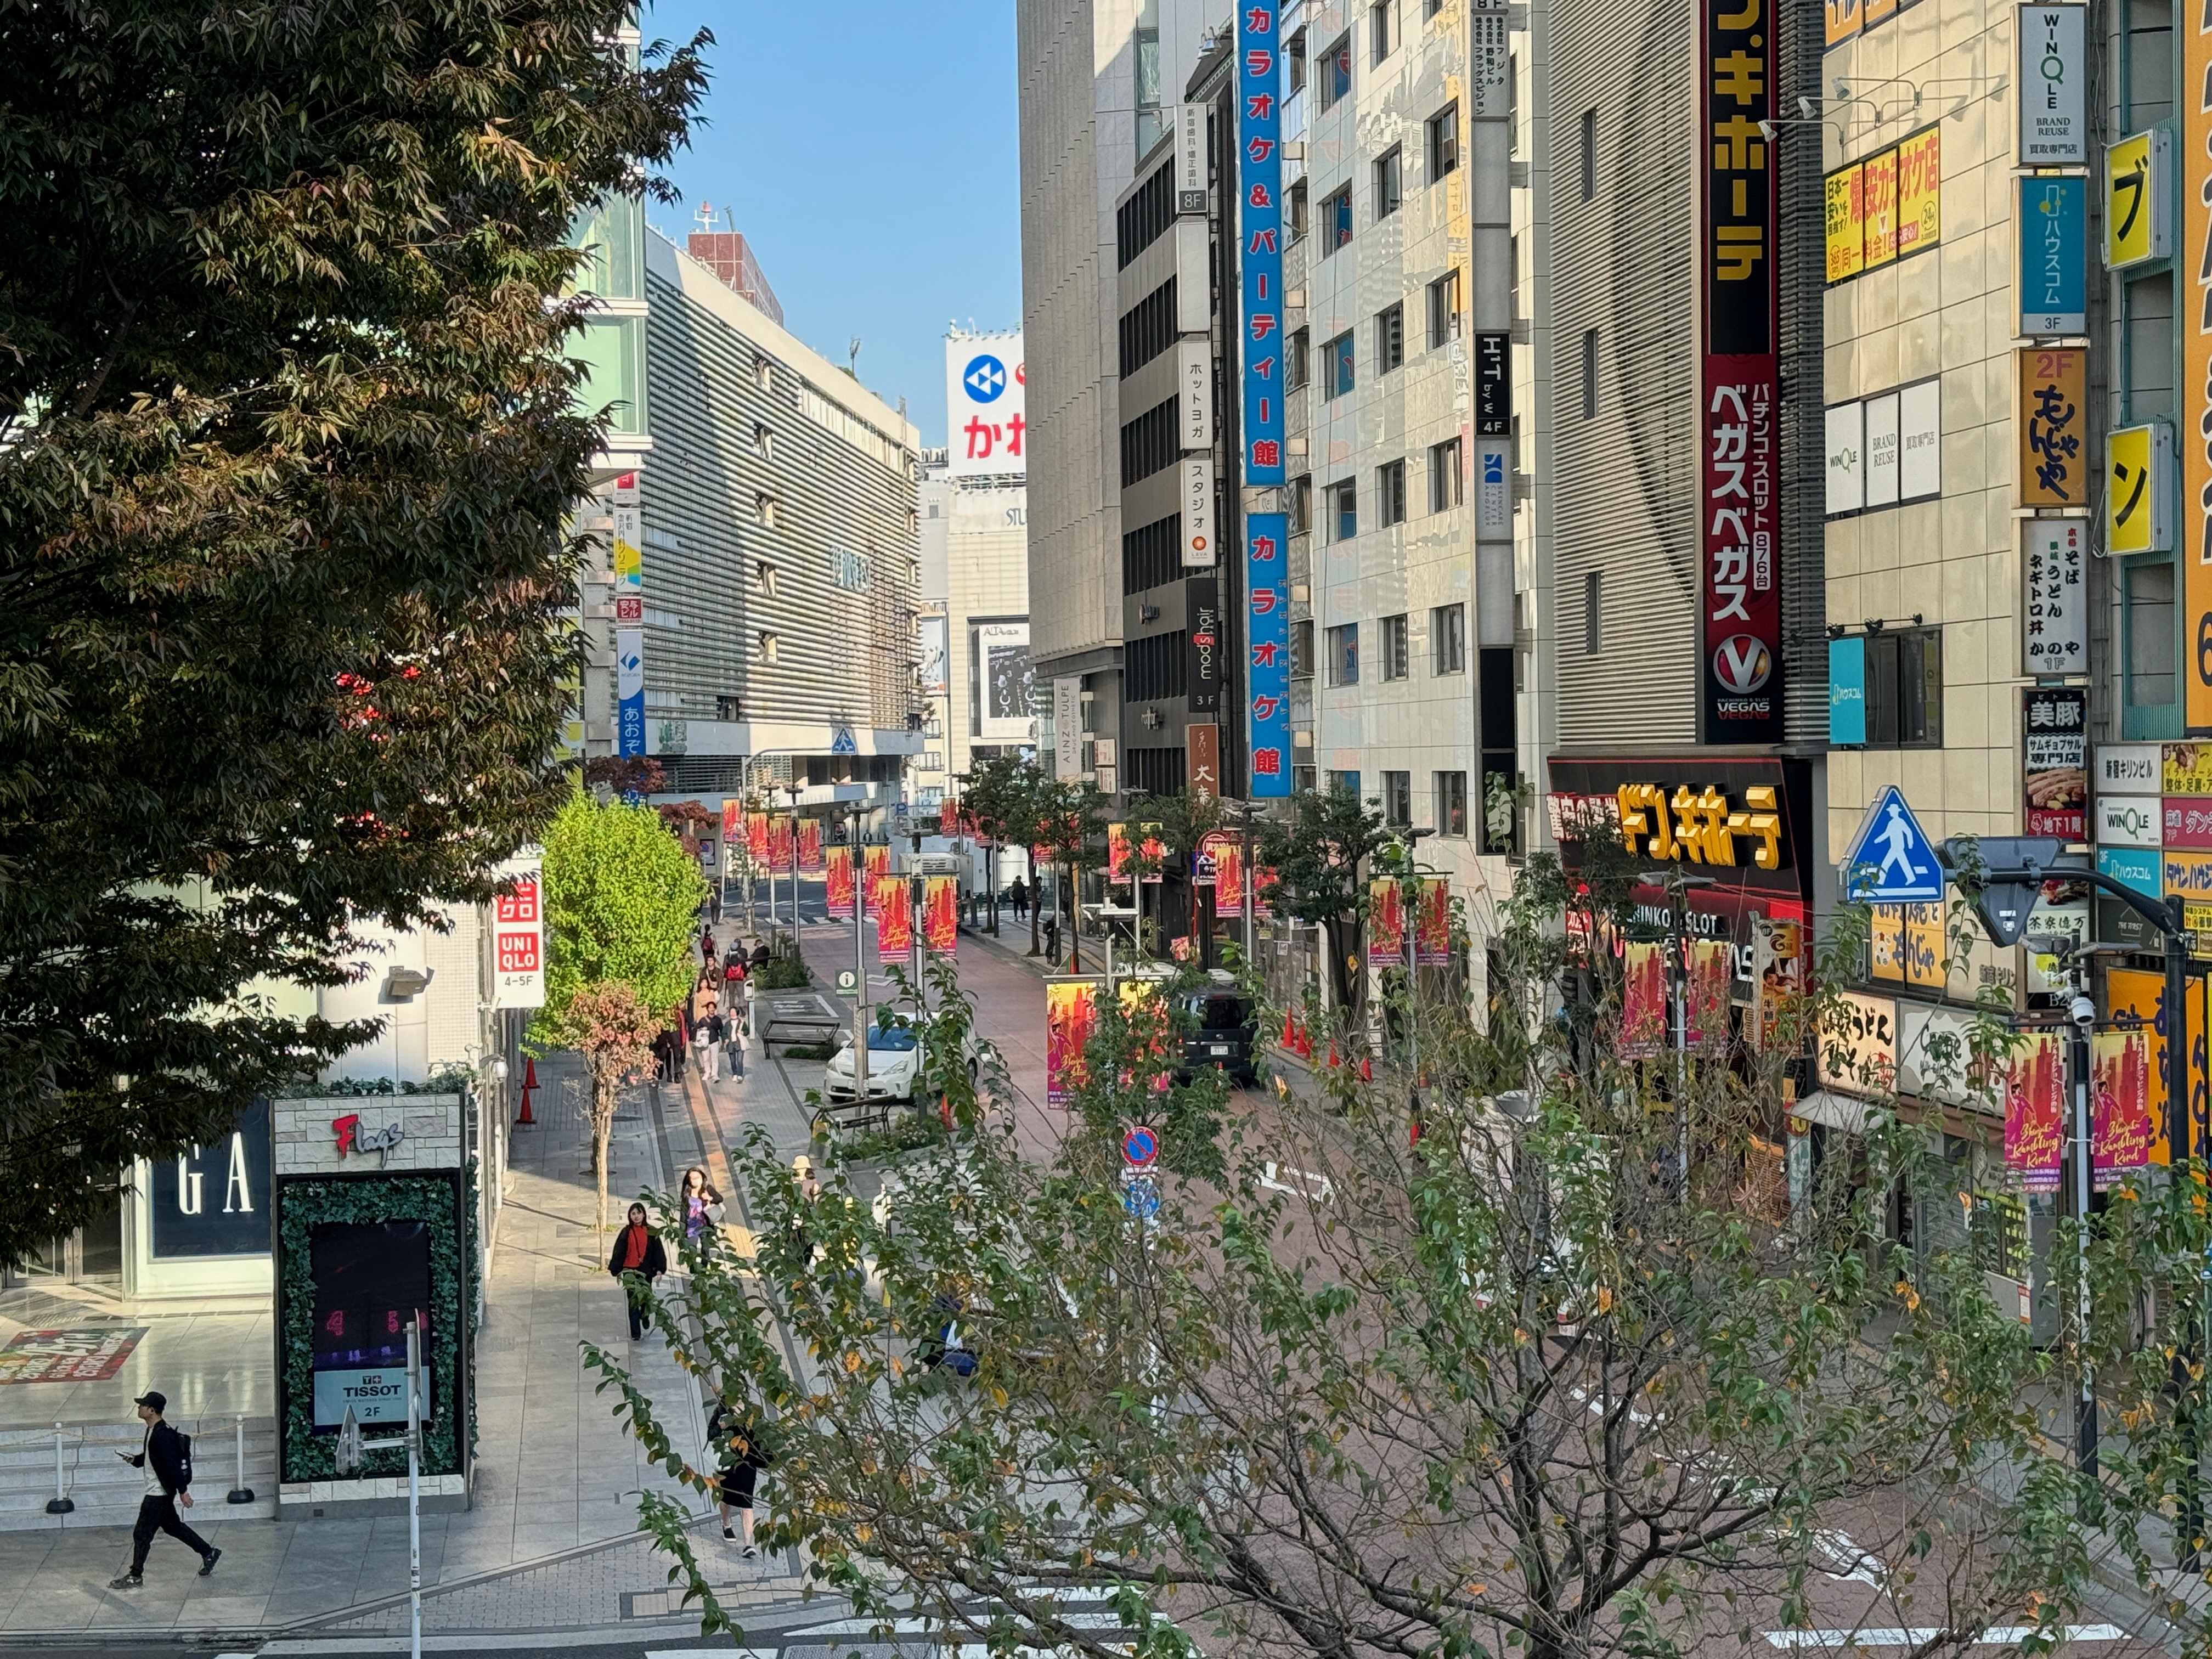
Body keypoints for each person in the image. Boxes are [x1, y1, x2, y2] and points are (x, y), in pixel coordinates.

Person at [108, 1392, 218, 1587]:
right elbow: (152, 1457)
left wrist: (183, 1491)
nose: (139, 1408)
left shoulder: (163, 1435)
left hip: (158, 1493)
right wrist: (134, 1460)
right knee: (173, 1527)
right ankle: (209, 1552)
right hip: (158, 1490)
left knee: (142, 1533)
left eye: (142, 1405)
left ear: (152, 1410)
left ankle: (136, 1575)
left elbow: (172, 1465)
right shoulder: (153, 1430)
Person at [706, 1398, 772, 1557]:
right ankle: (726, 1524)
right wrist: (721, 1426)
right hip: (727, 1462)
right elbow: (711, 1435)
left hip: (746, 1462)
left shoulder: (752, 1412)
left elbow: (761, 1436)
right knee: (726, 1500)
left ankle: (749, 1544)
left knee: (747, 1503)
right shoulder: (722, 1410)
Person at [607, 1203, 668, 1340]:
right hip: (630, 1271)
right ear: (630, 1216)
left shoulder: (651, 1231)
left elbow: (658, 1251)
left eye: (638, 1213)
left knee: (646, 1299)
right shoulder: (626, 1232)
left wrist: (659, 1269)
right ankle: (636, 1334)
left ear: (644, 1214)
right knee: (633, 1302)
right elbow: (619, 1251)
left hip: (646, 1271)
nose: (636, 1216)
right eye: (633, 1214)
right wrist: (616, 1269)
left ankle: (645, 1315)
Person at [680, 1167, 725, 1244]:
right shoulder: (687, 1194)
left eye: (698, 1177)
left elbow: (720, 1198)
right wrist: (682, 1230)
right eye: (693, 1178)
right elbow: (683, 1212)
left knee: (706, 1248)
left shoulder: (708, 1189)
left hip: (706, 1226)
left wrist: (710, 1198)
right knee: (691, 1248)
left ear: (702, 1178)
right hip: (692, 1227)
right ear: (689, 1180)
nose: (696, 1180)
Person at [695, 1000, 723, 1083]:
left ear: (715, 1009)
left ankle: (715, 1074)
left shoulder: (718, 1020)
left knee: (715, 1059)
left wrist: (722, 1040)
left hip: (715, 1041)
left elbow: (722, 1030)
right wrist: (701, 1029)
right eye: (710, 1008)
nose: (712, 1009)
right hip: (705, 1043)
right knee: (706, 1058)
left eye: (713, 1008)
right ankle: (707, 1072)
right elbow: (696, 1029)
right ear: (707, 1009)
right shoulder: (703, 1020)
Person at [727, 997, 750, 1080]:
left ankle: (740, 1074)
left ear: (737, 1013)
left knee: (739, 1060)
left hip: (740, 1043)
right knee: (733, 1061)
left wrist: (743, 1032)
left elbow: (747, 1031)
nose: (732, 1013)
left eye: (733, 1012)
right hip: (731, 1044)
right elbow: (724, 1032)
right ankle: (735, 1073)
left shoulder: (742, 1022)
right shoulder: (728, 1023)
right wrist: (725, 1039)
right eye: (731, 1012)